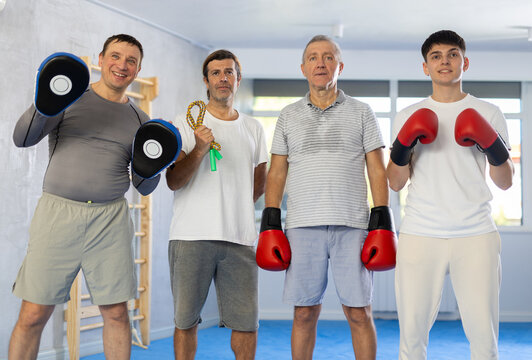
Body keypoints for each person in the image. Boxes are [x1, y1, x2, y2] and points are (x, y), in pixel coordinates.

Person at [10, 34, 159, 360]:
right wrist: (44, 103)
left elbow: (144, 186)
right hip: (58, 215)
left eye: (131, 61)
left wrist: (154, 166)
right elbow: (22, 138)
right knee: (34, 313)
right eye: (116, 56)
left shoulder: (140, 121)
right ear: (101, 59)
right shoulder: (69, 98)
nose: (122, 65)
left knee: (117, 314)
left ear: (137, 70)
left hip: (110, 220)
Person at [262, 35, 395, 360]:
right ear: (303, 67)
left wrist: (381, 220)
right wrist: (270, 221)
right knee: (304, 313)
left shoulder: (362, 112)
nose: (320, 63)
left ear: (339, 65)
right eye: (313, 57)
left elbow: (377, 170)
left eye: (328, 57)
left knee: (359, 312)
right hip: (302, 226)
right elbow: (277, 172)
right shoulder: (288, 115)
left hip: (352, 225)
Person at [386, 30, 514, 360]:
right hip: (420, 233)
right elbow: (396, 182)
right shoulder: (407, 116)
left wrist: (492, 147)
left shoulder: (489, 112)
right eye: (436, 56)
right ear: (425, 67)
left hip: (476, 234)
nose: (445, 61)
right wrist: (403, 147)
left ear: (465, 62)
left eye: (453, 54)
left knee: (484, 339)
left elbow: (505, 182)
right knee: (411, 338)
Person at [166, 49, 268, 360]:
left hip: (239, 239)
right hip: (190, 238)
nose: (222, 78)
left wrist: (233, 206)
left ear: (239, 79)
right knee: (185, 322)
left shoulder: (254, 128)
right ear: (206, 81)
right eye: (215, 73)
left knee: (247, 324)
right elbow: (173, 181)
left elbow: (259, 182)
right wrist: (198, 150)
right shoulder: (185, 123)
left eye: (228, 72)